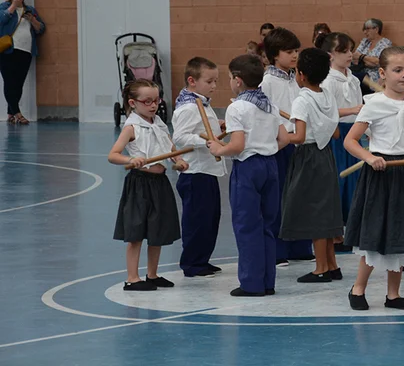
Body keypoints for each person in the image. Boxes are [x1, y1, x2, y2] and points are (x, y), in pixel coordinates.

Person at [342, 46, 404, 310]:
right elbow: (350, 141)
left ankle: (393, 295)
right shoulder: (373, 105)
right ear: (383, 73)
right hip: (380, 173)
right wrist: (369, 157)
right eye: (397, 70)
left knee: (402, 232)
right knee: (375, 232)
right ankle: (358, 289)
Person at [207, 55, 285, 296]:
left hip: (248, 167)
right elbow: (284, 138)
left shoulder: (237, 107)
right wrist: (265, 147)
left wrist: (218, 148)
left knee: (247, 225)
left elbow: (238, 145)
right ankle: (267, 282)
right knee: (267, 226)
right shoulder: (269, 105)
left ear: (238, 80)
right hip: (270, 165)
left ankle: (251, 284)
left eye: (230, 77)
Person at [107, 79, 186, 291]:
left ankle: (152, 274)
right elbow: (113, 155)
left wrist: (178, 161)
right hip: (140, 184)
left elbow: (170, 148)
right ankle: (132, 278)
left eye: (156, 101)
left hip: (160, 183)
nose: (153, 106)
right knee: (136, 232)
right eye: (147, 101)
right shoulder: (131, 127)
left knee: (157, 230)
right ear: (133, 103)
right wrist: (130, 159)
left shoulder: (158, 123)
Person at [279, 48, 342, 283]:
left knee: (314, 211)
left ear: (301, 74)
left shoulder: (301, 100)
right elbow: (335, 133)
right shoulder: (328, 96)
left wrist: (280, 135)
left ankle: (321, 268)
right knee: (325, 209)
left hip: (307, 157)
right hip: (326, 155)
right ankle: (332, 265)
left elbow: (299, 136)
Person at [259, 27, 312, 267]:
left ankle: (300, 246)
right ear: (274, 54)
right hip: (281, 144)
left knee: (300, 195)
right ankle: (278, 250)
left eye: (296, 51)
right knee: (279, 197)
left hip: (300, 141)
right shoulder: (267, 82)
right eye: (289, 51)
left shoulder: (296, 79)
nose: (294, 55)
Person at [169, 58, 225, 279]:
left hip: (208, 170)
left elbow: (202, 128)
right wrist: (207, 141)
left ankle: (202, 259)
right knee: (197, 220)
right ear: (192, 81)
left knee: (210, 218)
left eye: (215, 81)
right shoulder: (189, 107)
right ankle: (192, 263)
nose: (214, 86)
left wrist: (217, 127)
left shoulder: (202, 103)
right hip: (195, 172)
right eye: (209, 81)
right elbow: (180, 137)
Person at [318, 32, 363, 234]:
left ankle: (352, 227)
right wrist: (352, 110)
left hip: (354, 133)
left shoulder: (353, 79)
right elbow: (324, 111)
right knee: (339, 180)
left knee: (355, 180)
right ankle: (336, 229)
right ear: (330, 55)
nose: (350, 54)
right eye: (343, 51)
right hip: (337, 134)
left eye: (350, 50)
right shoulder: (327, 81)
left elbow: (360, 108)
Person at [355, 19, 392, 85]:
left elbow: (377, 62)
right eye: (364, 29)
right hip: (360, 73)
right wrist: (369, 60)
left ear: (376, 29)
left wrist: (361, 57)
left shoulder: (385, 43)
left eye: (367, 29)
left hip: (374, 79)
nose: (365, 32)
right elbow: (354, 57)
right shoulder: (365, 42)